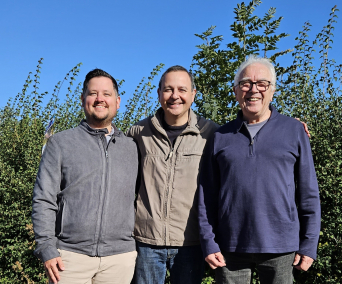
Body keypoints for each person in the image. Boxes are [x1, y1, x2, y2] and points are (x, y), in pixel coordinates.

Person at [198, 56, 321, 284]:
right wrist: (208, 241)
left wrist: (309, 242)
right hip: (229, 246)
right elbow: (207, 196)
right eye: (246, 83)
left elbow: (308, 192)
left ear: (272, 90)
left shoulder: (293, 131)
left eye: (262, 84)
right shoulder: (219, 137)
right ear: (235, 91)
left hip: (281, 245)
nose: (253, 90)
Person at [32, 69, 138, 284]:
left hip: (120, 259)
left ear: (117, 101)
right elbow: (44, 198)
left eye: (106, 94)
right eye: (93, 93)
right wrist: (46, 247)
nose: (100, 99)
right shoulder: (60, 143)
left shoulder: (132, 148)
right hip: (69, 257)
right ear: (83, 100)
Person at [127, 65, 219, 284]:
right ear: (159, 94)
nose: (175, 96)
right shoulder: (138, 132)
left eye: (182, 89)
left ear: (193, 95)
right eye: (168, 89)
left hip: (191, 242)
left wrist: (288, 126)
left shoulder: (211, 133)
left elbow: (245, 136)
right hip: (146, 242)